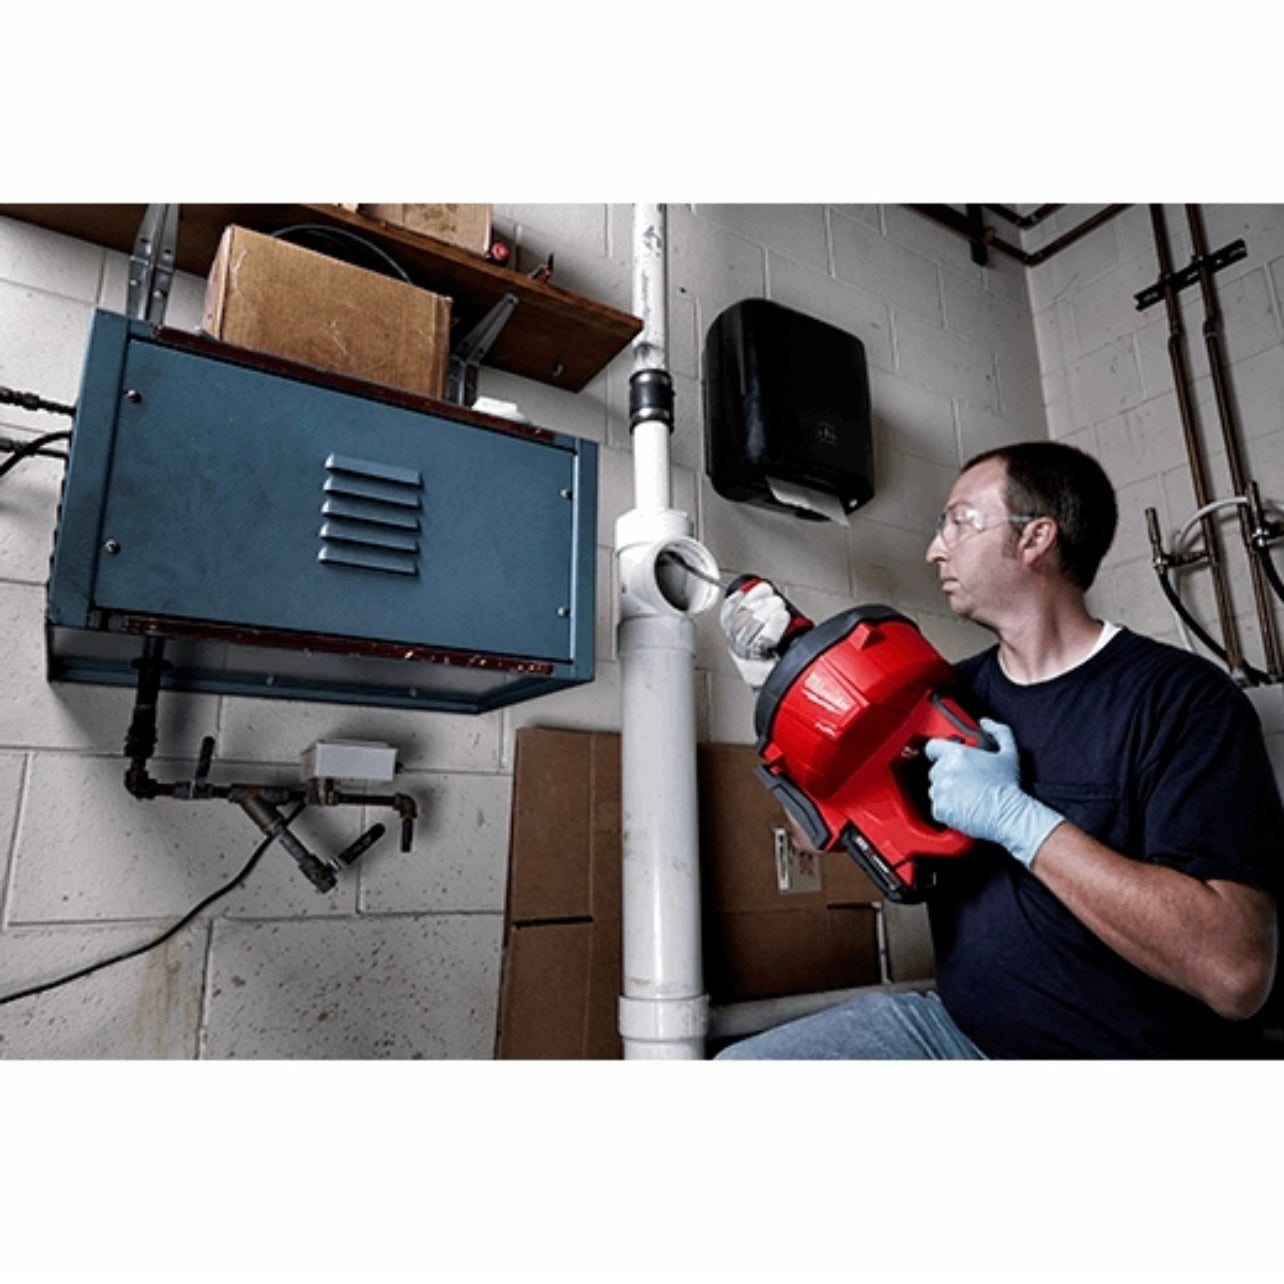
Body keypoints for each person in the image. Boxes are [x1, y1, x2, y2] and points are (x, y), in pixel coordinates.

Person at [716, 440, 1282, 1058]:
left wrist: (1018, 821)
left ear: (1036, 538)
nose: (935, 549)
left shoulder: (1181, 700)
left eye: (959, 522)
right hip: (962, 1039)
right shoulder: (946, 693)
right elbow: (816, 829)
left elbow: (1236, 975)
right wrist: (776, 686)